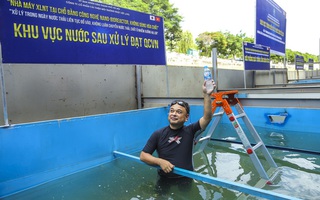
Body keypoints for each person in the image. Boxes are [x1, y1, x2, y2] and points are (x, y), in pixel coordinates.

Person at [140, 80, 215, 181]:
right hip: (164, 177)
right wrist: (160, 161)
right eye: (172, 111)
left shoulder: (191, 131)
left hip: (186, 177)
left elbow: (207, 117)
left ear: (186, 117)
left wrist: (206, 94)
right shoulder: (158, 134)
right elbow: (143, 155)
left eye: (179, 112)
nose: (174, 114)